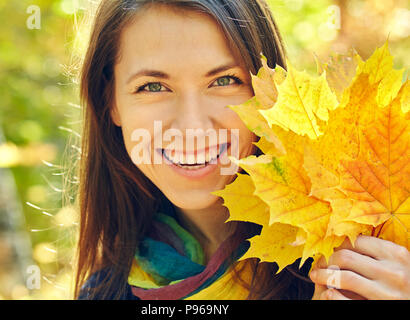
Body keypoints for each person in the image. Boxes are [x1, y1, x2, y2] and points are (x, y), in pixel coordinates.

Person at [74, 0, 410, 300]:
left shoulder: (364, 257)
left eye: (224, 81)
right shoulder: (104, 292)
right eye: (152, 86)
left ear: (269, 91)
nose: (192, 126)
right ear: (111, 103)